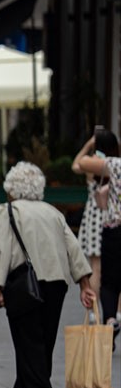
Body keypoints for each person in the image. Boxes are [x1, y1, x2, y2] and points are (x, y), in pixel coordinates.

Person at [0, 162, 94, 388]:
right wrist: (84, 283)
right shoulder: (52, 212)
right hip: (56, 282)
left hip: (23, 282)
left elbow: (1, 249)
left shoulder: (7, 211)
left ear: (12, 187)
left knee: (27, 340)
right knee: (45, 339)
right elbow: (73, 247)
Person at [72, 128, 121, 345]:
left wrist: (90, 143)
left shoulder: (109, 164)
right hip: (109, 223)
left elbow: (79, 163)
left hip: (109, 224)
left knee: (104, 274)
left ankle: (106, 317)